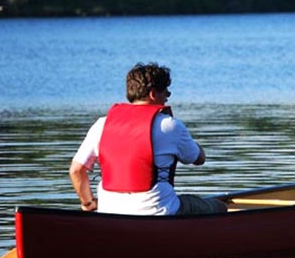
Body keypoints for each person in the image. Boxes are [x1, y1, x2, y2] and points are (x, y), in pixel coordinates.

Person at [69, 62, 227, 215]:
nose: (167, 97)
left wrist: (88, 203)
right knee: (219, 207)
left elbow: (76, 170)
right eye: (166, 92)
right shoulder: (169, 125)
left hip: (109, 211)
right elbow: (199, 159)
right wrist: (194, 145)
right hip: (158, 211)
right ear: (153, 94)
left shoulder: (101, 124)